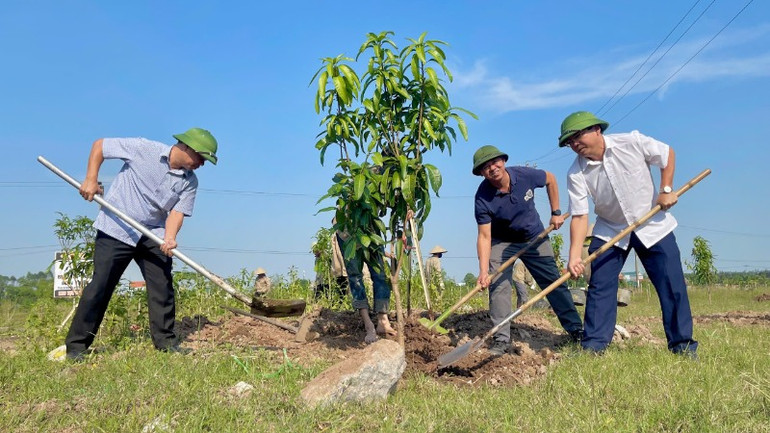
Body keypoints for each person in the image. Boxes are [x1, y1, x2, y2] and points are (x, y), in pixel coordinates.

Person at [65, 127, 219, 361]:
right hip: (117, 226)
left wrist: (170, 237)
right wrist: (91, 179)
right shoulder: (143, 148)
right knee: (100, 286)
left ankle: (165, 343)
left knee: (162, 286)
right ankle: (77, 347)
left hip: (152, 232)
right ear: (187, 147)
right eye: (201, 158)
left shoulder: (190, 182)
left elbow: (177, 212)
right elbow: (100, 146)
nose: (202, 164)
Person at [560, 111, 697, 358]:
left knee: (671, 285)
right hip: (611, 229)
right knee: (600, 287)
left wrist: (666, 189)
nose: (575, 145)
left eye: (578, 137)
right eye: (569, 142)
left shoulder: (631, 142)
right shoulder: (576, 173)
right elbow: (580, 216)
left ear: (597, 130)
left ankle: (683, 346)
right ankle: (593, 346)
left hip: (652, 224)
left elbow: (667, 154)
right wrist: (574, 256)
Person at [473, 145, 584, 355]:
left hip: (534, 237)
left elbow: (551, 179)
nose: (492, 168)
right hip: (501, 242)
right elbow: (484, 236)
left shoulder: (525, 175)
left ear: (503, 161)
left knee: (553, 282)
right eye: (485, 167)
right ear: (481, 173)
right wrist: (483, 271)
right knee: (498, 286)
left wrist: (556, 211)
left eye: (495, 162)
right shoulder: (482, 198)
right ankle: (501, 339)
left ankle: (576, 330)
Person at [337, 225, 397, 344]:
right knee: (355, 278)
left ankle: (383, 321)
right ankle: (368, 324)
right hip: (346, 234)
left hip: (370, 231)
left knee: (379, 275)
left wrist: (407, 208)